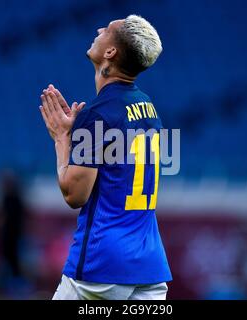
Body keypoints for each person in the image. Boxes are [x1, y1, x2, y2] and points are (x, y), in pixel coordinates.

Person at [39, 15, 172, 300]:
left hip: (102, 268)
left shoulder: (98, 114)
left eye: (107, 29)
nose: (100, 29)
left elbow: (74, 194)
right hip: (150, 269)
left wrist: (63, 138)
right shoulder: (149, 108)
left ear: (110, 53)